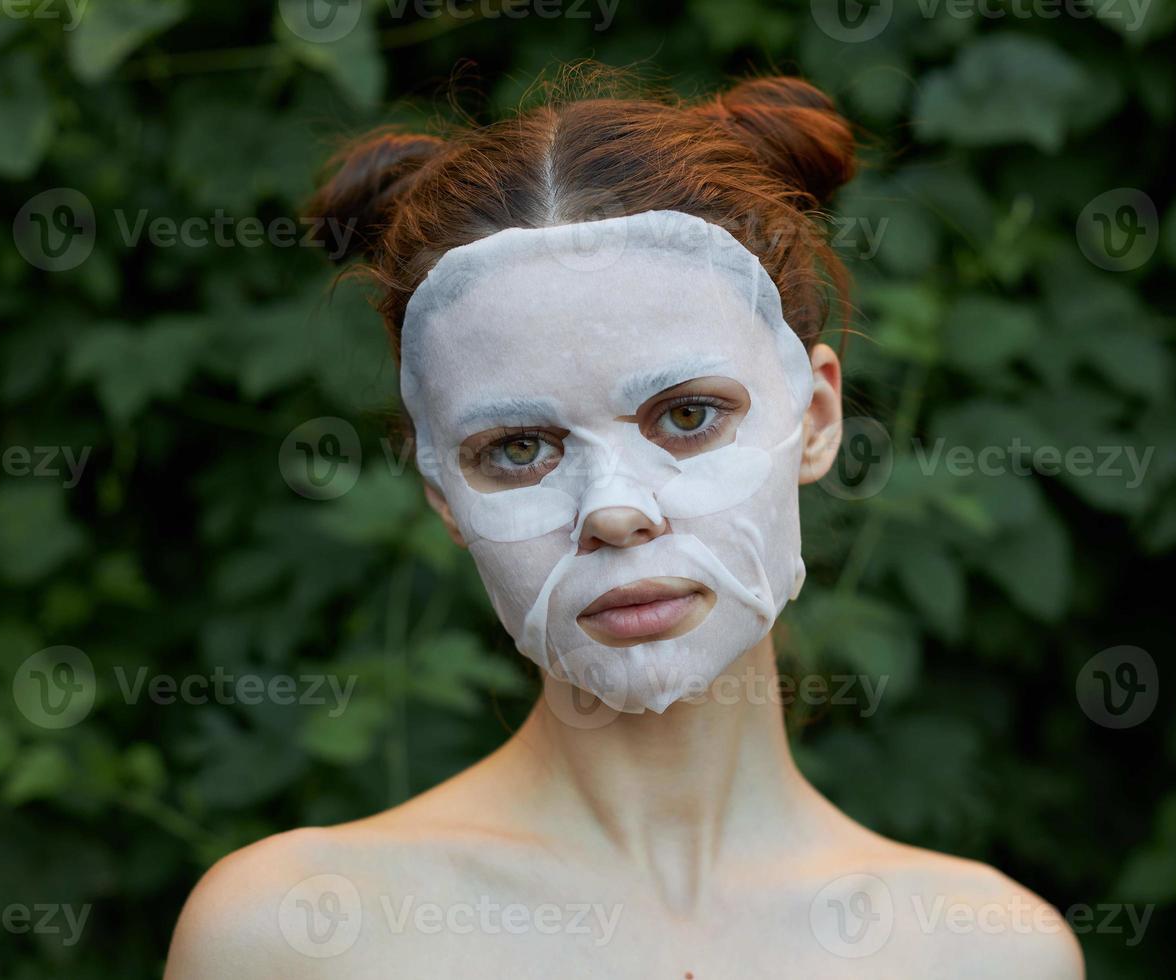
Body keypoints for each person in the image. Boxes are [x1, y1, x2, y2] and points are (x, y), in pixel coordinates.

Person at [164, 73, 1085, 979]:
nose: (613, 510)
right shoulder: (298, 935)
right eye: (518, 449)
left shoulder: (985, 951)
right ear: (443, 494)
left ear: (815, 417)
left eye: (687, 416)